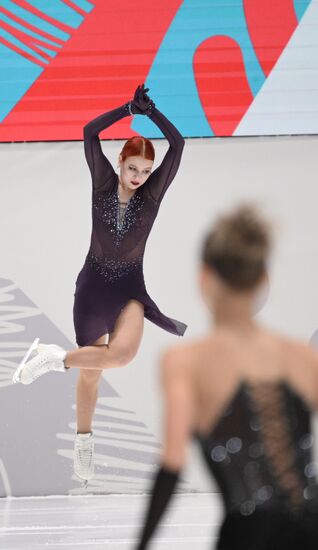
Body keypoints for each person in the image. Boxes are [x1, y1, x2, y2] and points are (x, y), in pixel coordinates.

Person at [133, 205, 318, 549]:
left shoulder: (184, 361)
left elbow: (172, 465)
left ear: (204, 277)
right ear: (265, 278)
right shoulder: (303, 356)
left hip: (251, 538)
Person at [12, 84, 187, 485]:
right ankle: (84, 444)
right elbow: (90, 132)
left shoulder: (153, 196)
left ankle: (54, 357)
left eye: (145, 171)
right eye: (133, 168)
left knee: (121, 355)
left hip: (129, 290)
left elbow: (178, 146)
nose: (140, 177)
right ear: (120, 162)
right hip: (92, 288)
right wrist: (126, 110)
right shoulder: (103, 184)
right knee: (91, 373)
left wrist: (152, 114)